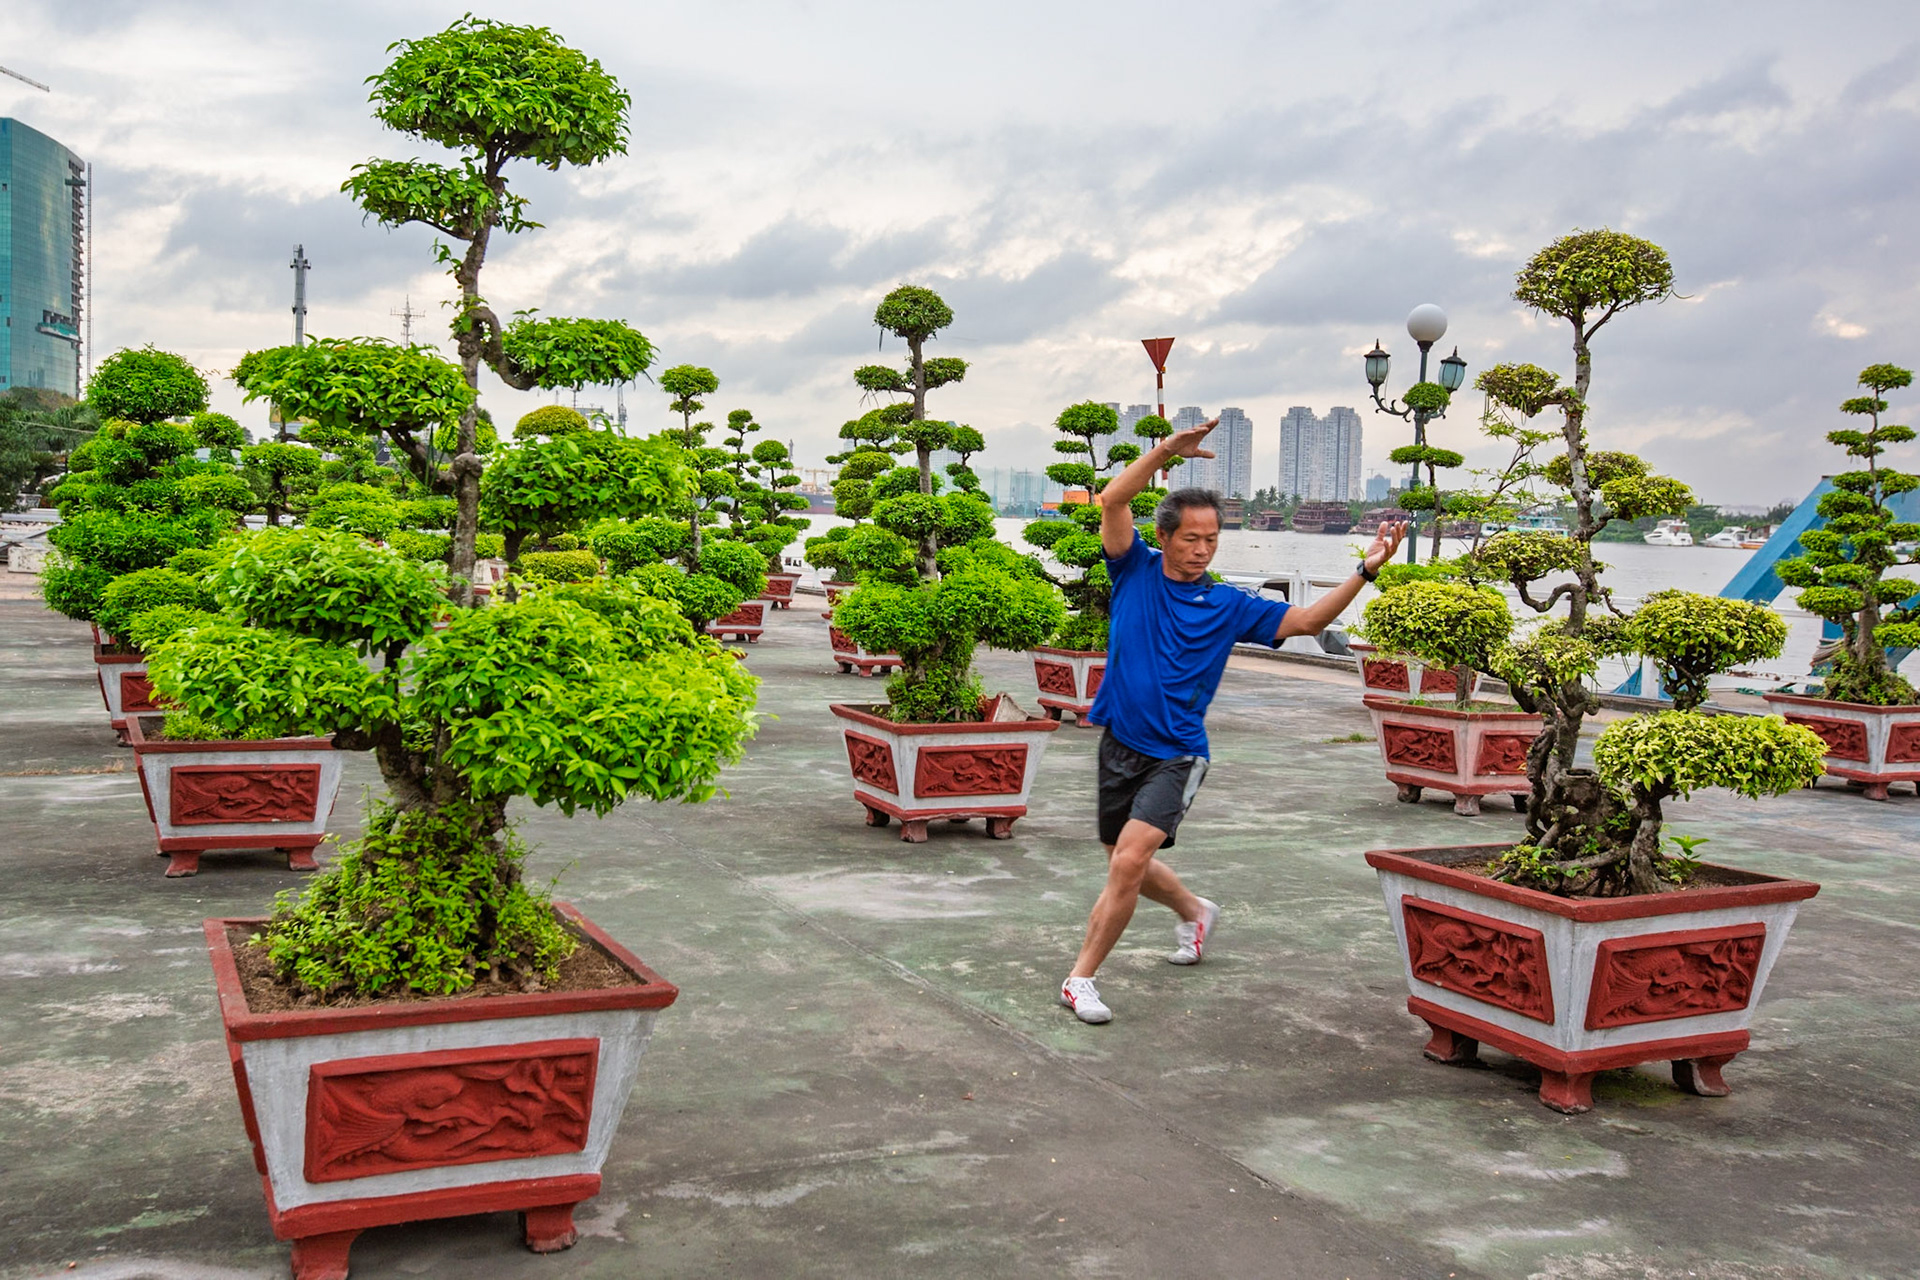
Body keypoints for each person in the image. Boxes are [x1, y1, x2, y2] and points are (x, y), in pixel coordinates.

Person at [1059, 417, 1408, 1024]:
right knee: (1123, 854)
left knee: (1128, 860)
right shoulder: (1133, 571)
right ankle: (1195, 912)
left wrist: (1367, 570)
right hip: (1121, 739)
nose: (1201, 548)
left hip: (1179, 752)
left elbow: (1302, 622)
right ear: (1164, 537)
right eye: (1191, 538)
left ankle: (1080, 978)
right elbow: (1114, 500)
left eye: (1211, 539)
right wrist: (1167, 449)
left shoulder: (1227, 605)